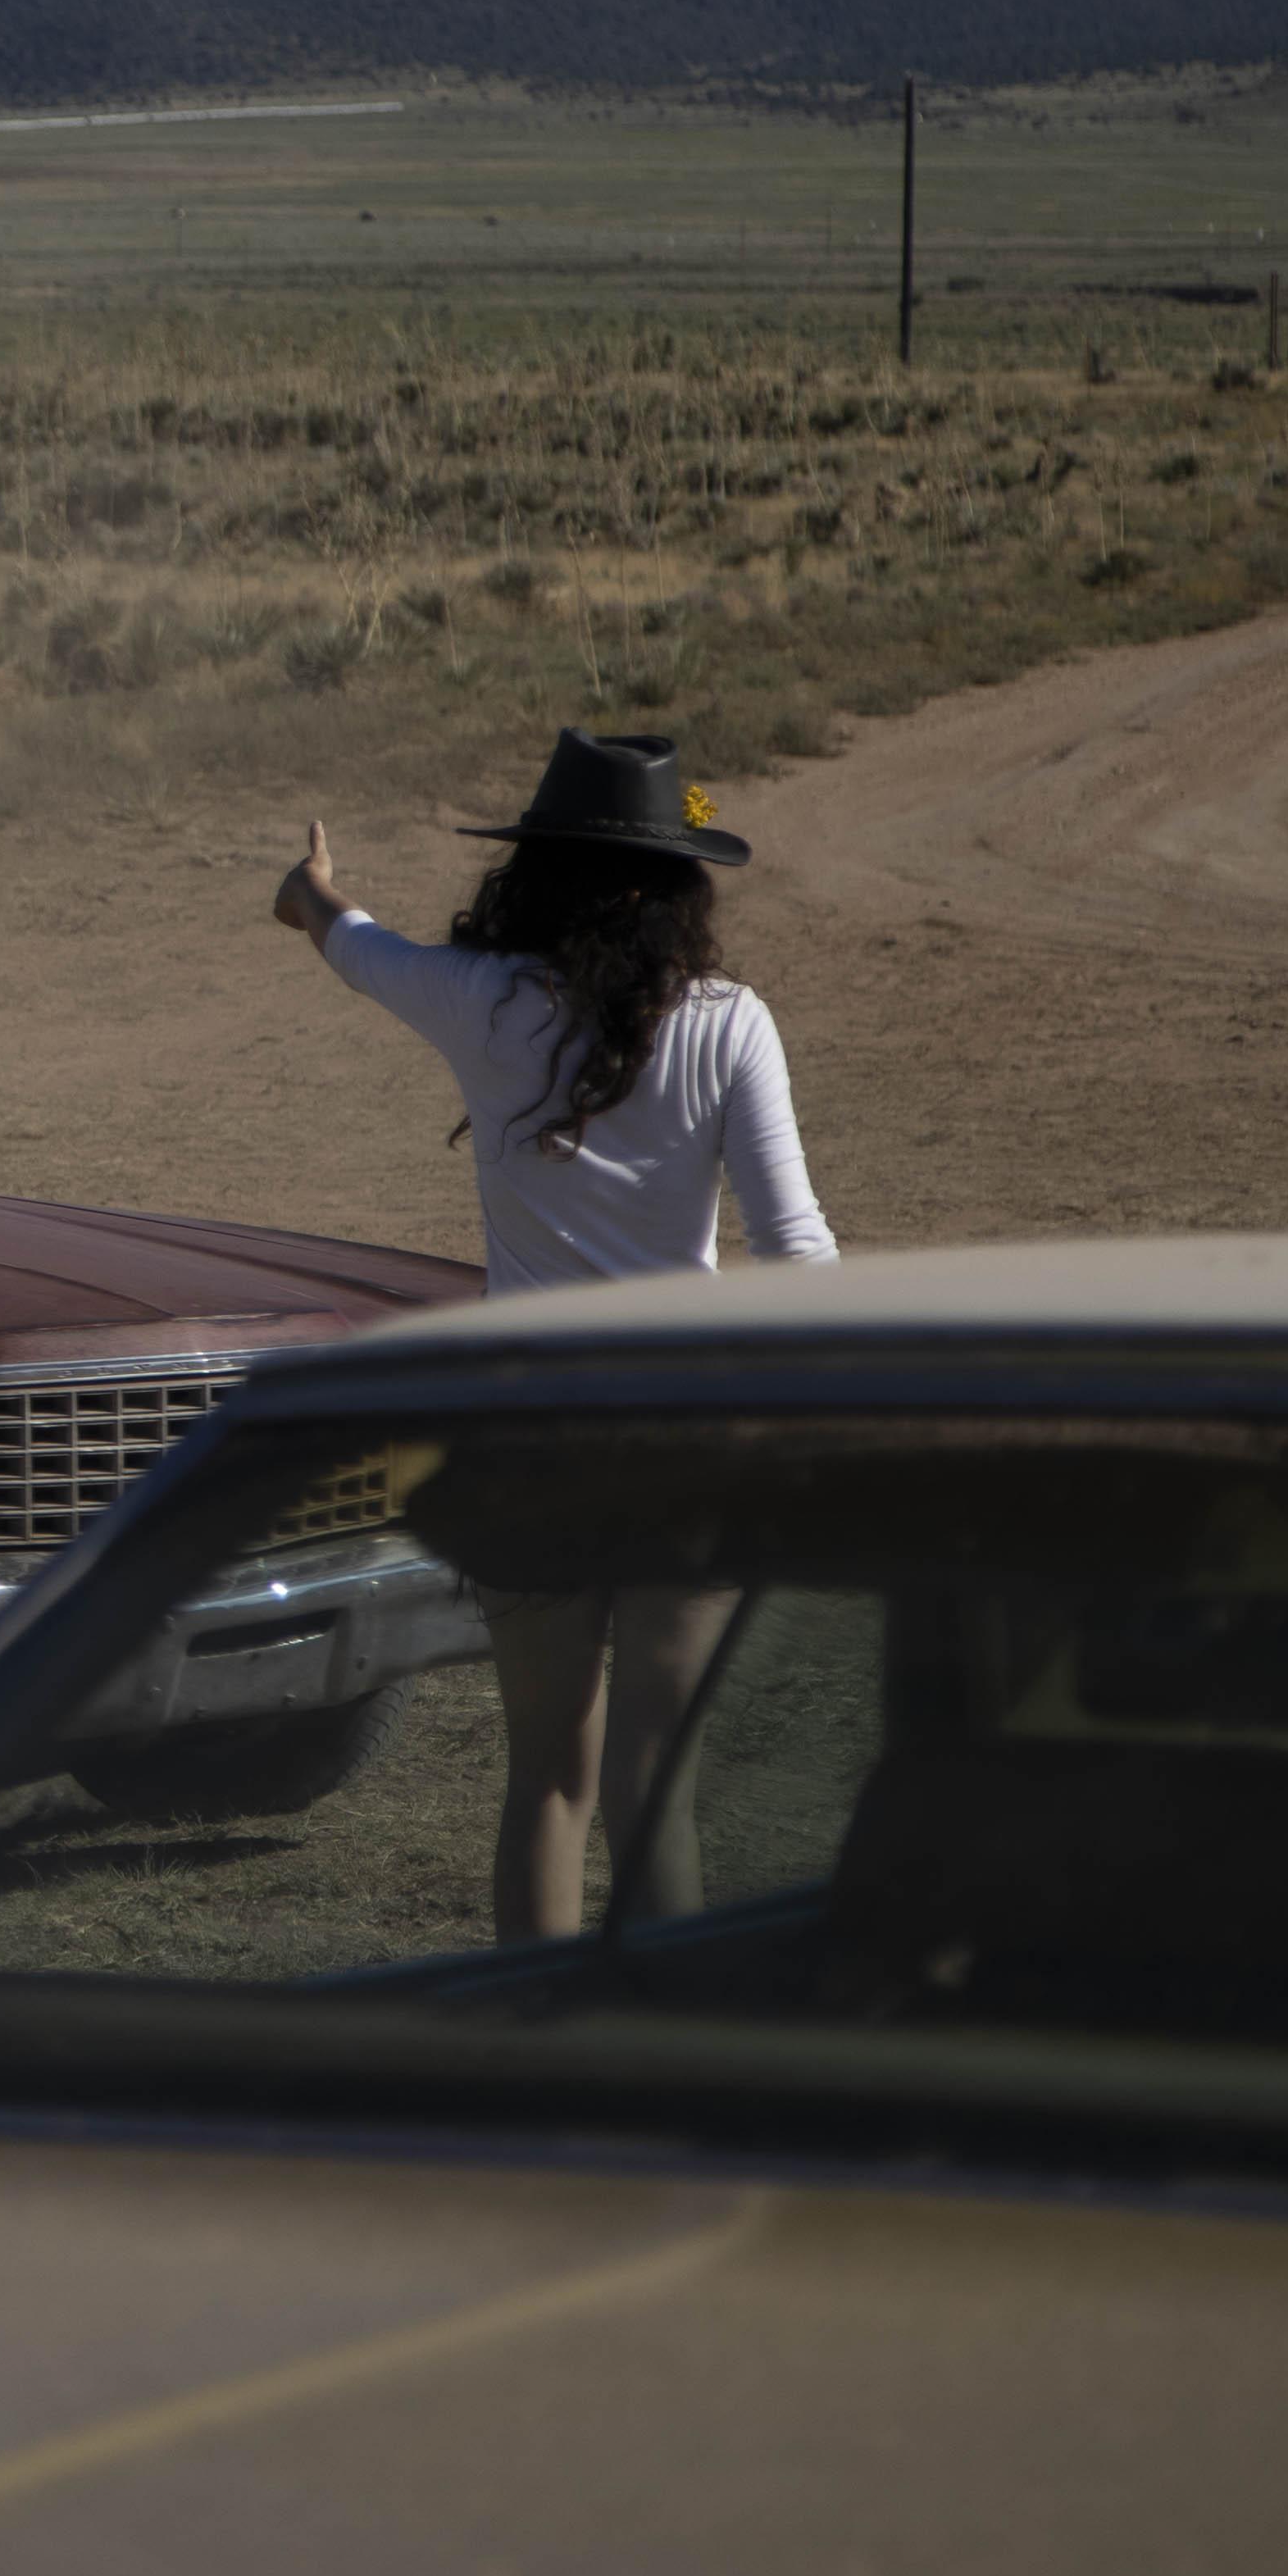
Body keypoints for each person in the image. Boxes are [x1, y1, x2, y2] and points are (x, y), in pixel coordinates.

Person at [273, 729, 835, 1942]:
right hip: (687, 1447)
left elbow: (351, 944)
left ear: (541, 871)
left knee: (548, 1785)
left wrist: (308, 889)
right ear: (669, 888)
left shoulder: (484, 1003)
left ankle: (532, 2056)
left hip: (524, 1446)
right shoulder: (732, 1026)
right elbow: (800, 1251)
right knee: (654, 1791)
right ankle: (662, 2063)